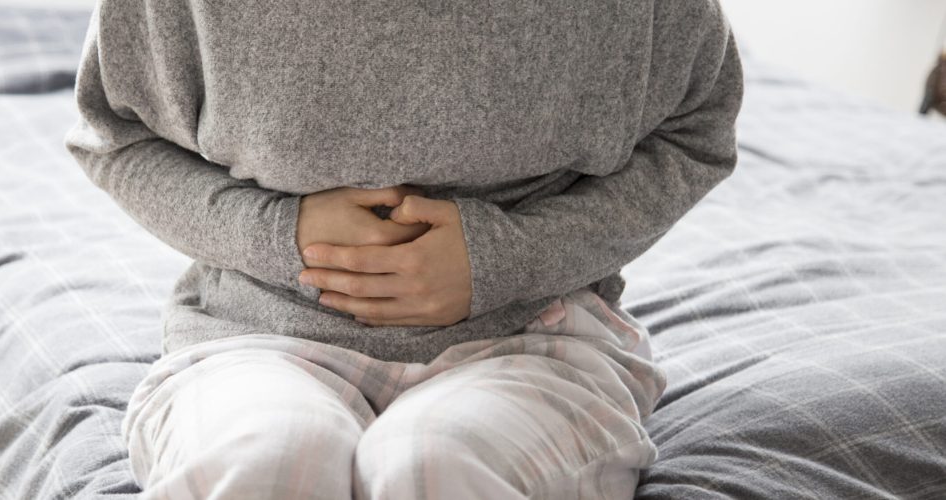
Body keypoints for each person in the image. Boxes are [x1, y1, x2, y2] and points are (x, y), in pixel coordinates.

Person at [65, 0, 743, 498]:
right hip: (254, 334)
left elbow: (696, 133)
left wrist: (508, 257)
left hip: (536, 336)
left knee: (433, 467)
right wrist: (279, 231)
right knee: (269, 461)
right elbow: (115, 135)